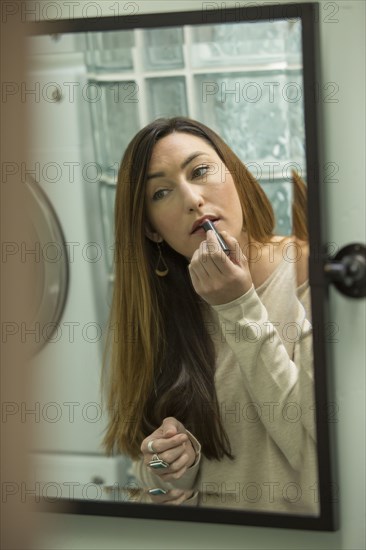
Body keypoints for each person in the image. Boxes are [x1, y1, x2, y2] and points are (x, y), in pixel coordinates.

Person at [102, 116, 318, 515]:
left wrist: (238, 307)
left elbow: (319, 459)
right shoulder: (159, 313)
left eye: (200, 171)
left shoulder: (308, 272)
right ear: (152, 230)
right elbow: (147, 486)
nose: (191, 199)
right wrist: (163, 470)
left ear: (234, 173)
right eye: (161, 192)